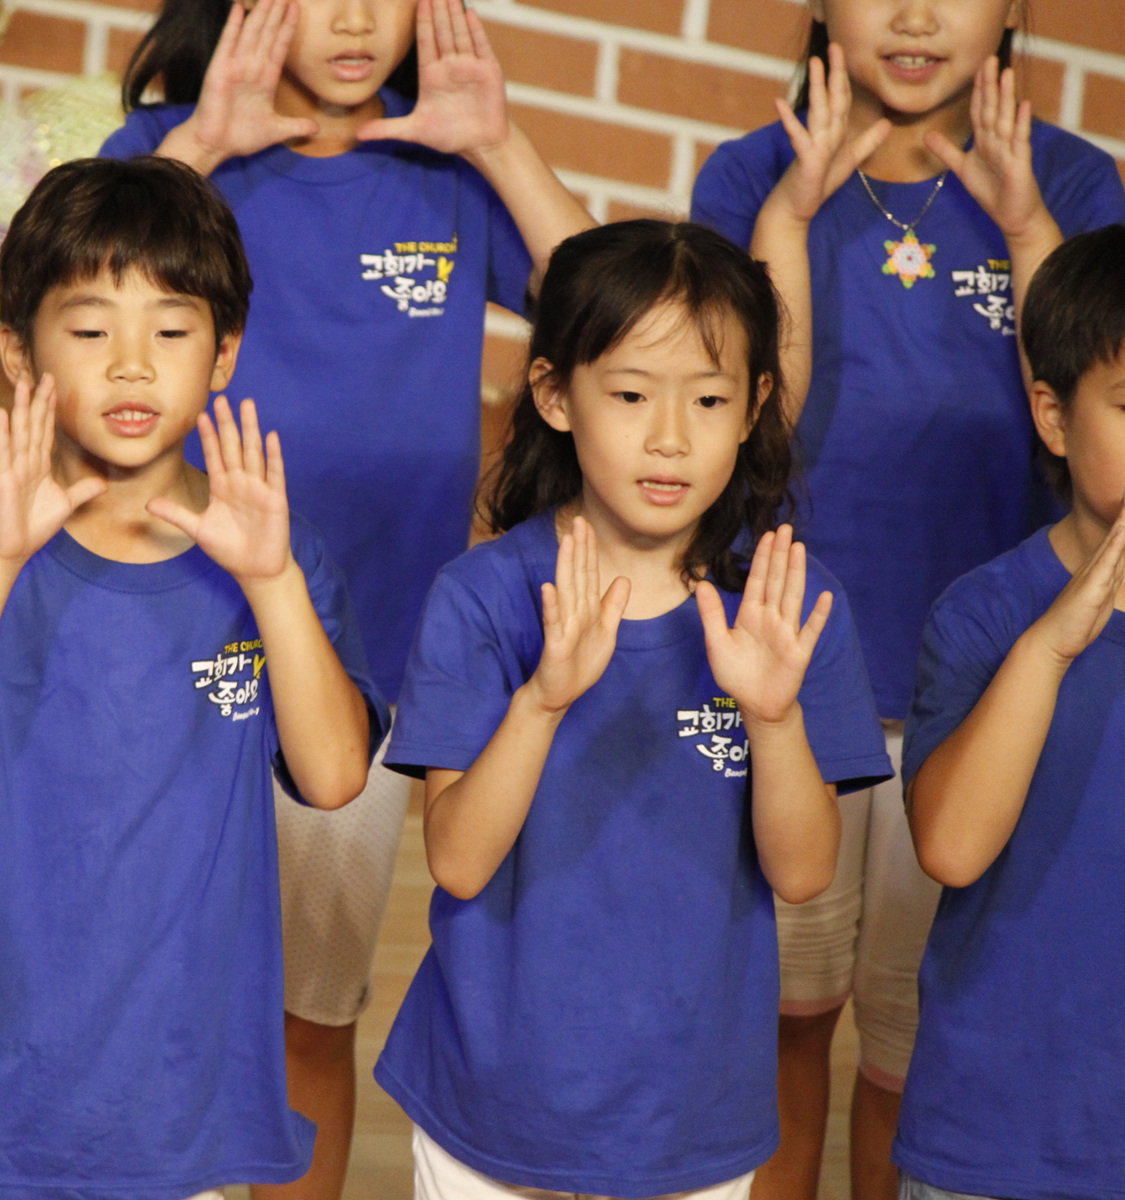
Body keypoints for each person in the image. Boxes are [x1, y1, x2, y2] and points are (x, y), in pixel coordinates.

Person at [101, 0, 593, 1189]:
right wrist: (204, 143)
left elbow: (619, 312)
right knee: (132, 991)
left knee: (308, 1014)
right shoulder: (169, 150)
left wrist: (499, 143)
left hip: (359, 661)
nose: (360, 18)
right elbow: (48, 301)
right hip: (152, 642)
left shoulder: (448, 164)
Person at [0, 155, 387, 1200]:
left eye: (172, 332)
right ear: (20, 351)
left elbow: (334, 779)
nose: (133, 367)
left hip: (177, 1099)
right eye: (92, 331)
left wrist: (273, 583)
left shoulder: (275, 558)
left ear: (225, 354)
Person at [688, 4, 1125, 1195]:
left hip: (985, 693)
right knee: (782, 1020)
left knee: (906, 1042)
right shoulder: (751, 173)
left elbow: (1080, 403)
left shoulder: (1073, 184)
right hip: (799, 668)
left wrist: (1027, 228)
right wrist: (788, 217)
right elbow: (748, 423)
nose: (920, 16)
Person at [375, 220, 893, 1200]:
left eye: (709, 399)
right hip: (492, 1102)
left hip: (691, 1113)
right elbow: (459, 860)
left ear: (755, 406)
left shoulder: (785, 606)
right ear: (554, 395)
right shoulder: (483, 596)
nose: (670, 437)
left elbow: (803, 873)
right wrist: (543, 701)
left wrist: (774, 719)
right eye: (629, 395)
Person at [893, 223, 1125, 1200]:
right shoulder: (986, 615)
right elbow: (950, 848)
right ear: (1054, 415)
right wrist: (1052, 645)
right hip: (995, 1142)